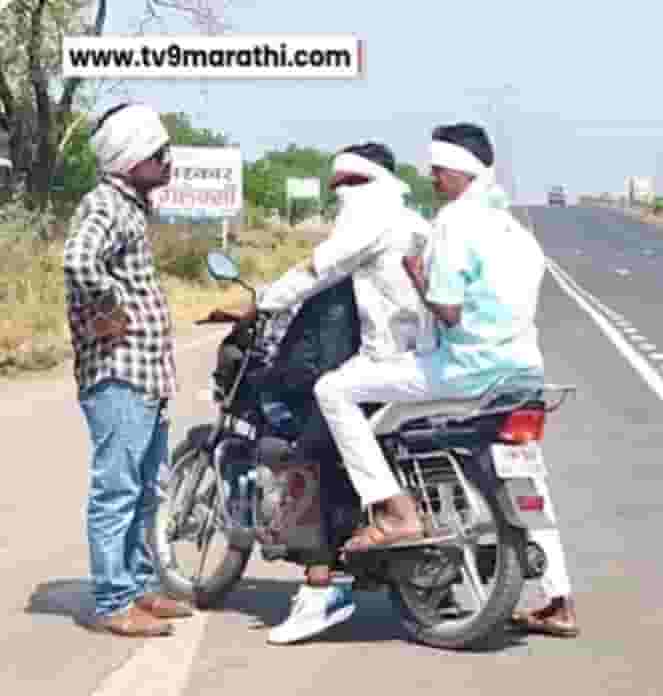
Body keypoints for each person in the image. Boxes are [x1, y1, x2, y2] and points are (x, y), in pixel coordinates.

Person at [210, 141, 433, 645]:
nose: (341, 195)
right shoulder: (414, 222)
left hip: (386, 364)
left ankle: (318, 590)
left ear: (364, 183)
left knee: (309, 455)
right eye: (338, 187)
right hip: (425, 363)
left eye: (346, 184)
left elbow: (315, 271)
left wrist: (260, 305)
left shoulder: (369, 221)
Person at [386, 122, 580, 636]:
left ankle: (406, 538)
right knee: (528, 485)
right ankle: (559, 600)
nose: (432, 179)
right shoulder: (516, 231)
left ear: (456, 171)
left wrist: (416, 277)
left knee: (351, 401)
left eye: (436, 171)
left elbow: (448, 312)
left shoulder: (454, 223)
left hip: (469, 370)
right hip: (524, 372)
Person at [63, 102, 195, 637]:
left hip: (144, 374)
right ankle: (113, 600)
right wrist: (110, 308)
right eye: (159, 152)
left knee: (145, 489)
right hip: (118, 374)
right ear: (130, 157)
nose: (169, 160)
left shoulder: (130, 206)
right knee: (116, 489)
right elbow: (77, 260)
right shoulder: (104, 205)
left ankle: (138, 586)